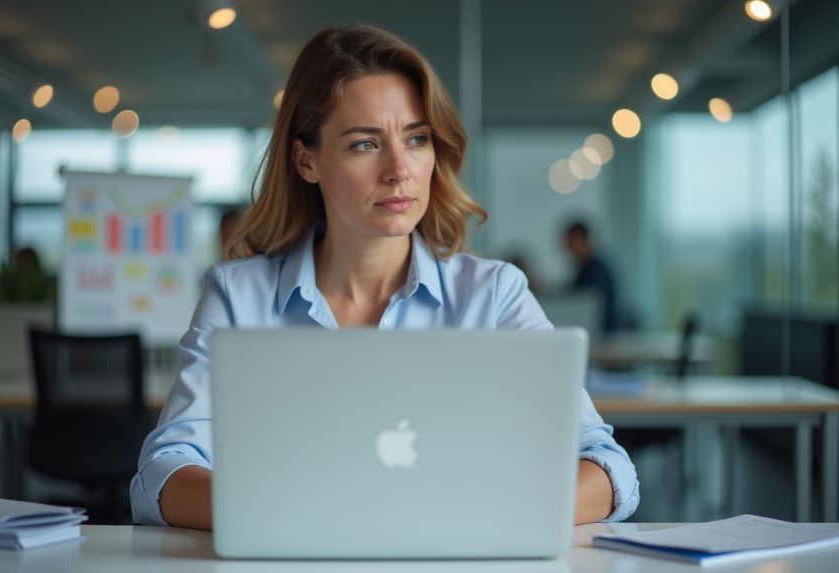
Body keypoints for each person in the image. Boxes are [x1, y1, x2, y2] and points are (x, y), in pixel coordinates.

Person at [130, 24, 639, 531]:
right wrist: (305, 518)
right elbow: (163, 474)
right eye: (364, 145)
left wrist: (466, 519)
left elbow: (607, 467)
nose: (399, 169)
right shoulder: (238, 298)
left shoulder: (495, 297)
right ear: (307, 159)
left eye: (416, 138)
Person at [565, 222, 619, 333]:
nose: (568, 249)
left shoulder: (596, 271)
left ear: (583, 240)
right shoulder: (585, 269)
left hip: (604, 337)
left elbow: (579, 302)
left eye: (571, 243)